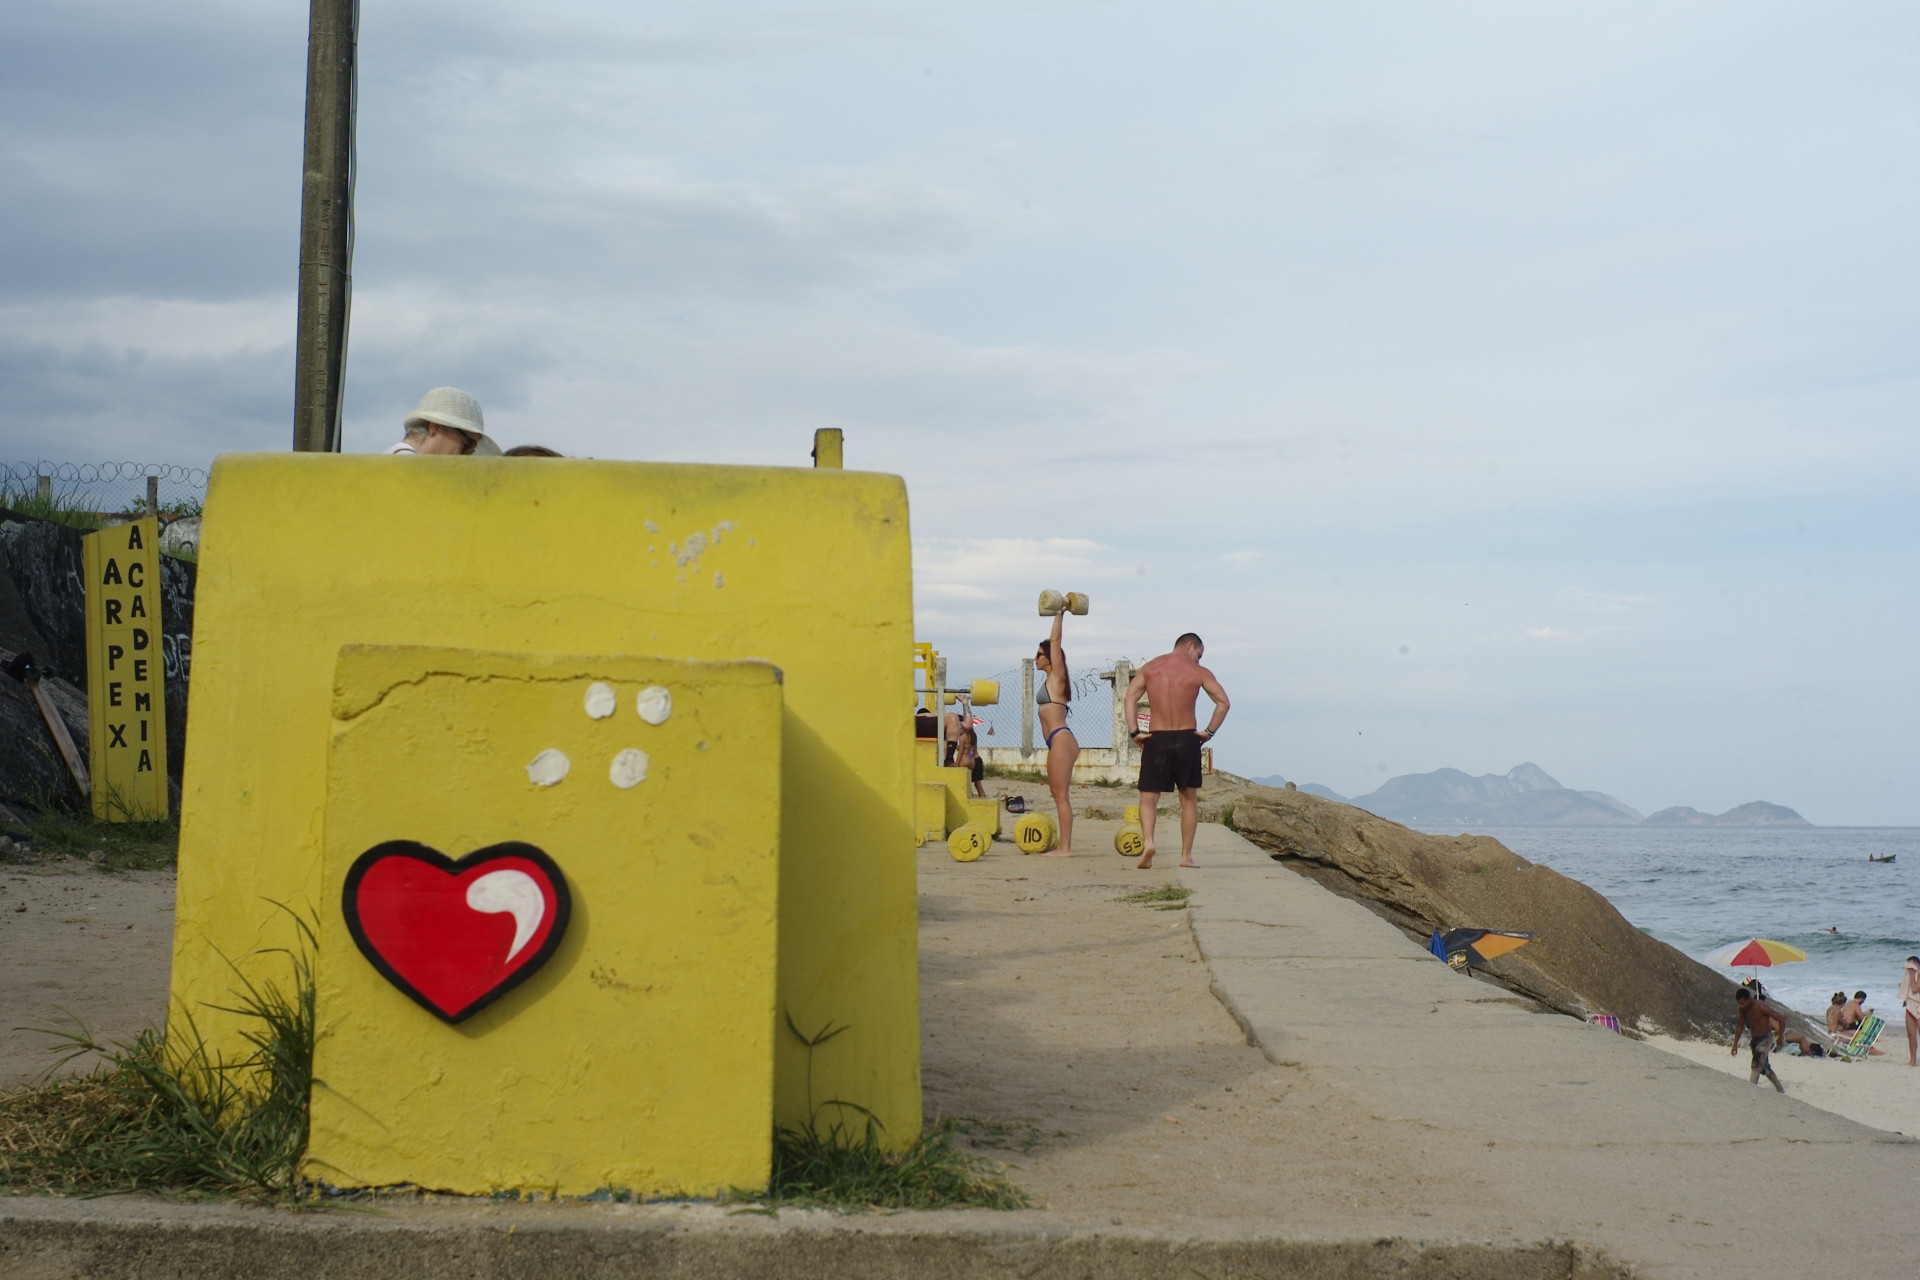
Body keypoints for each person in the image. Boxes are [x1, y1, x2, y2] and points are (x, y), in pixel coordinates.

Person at [1123, 632, 1229, 870]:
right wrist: (1209, 732)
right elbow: (1224, 702)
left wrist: (1134, 732)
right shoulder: (1198, 673)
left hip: (1156, 738)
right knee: (1189, 800)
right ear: (1190, 646)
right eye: (1198, 655)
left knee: (1148, 798)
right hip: (1187, 738)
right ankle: (1185, 856)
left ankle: (1149, 842)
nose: (1198, 661)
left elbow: (1129, 697)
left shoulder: (1151, 668)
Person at [1034, 609, 1078, 856]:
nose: (1035, 658)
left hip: (1061, 738)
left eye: (1039, 654)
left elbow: (1056, 642)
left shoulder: (1057, 678)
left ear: (1050, 657)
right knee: (1057, 793)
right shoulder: (1050, 680)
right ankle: (1065, 845)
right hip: (1057, 740)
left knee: (1061, 795)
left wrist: (1060, 613)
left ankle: (1065, 848)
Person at [387, 387, 502, 456]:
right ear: (435, 428)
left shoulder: (395, 459)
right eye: (467, 443)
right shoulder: (409, 468)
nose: (466, 454)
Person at [1731, 987, 1786, 1093]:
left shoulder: (1760, 1007)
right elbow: (1740, 1026)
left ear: (1748, 999)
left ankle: (1750, 1089)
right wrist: (1735, 1044)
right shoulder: (1743, 1009)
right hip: (1755, 1039)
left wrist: (1780, 1036)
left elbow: (1781, 1019)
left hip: (1766, 1038)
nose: (1742, 1006)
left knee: (1756, 1065)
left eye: (1743, 1003)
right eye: (1739, 1004)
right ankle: (1780, 1089)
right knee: (1765, 1068)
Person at [1899, 957, 1920, 1066]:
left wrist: (1912, 975)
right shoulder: (1907, 975)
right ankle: (1913, 1060)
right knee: (1911, 1034)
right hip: (1910, 1006)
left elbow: (1915, 989)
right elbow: (1906, 989)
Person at [955, 724, 985, 799]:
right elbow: (972, 752)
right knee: (978, 785)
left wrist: (957, 763)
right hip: (976, 759)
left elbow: (961, 751)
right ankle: (982, 799)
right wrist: (969, 757)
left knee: (967, 783)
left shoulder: (963, 736)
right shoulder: (973, 736)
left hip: (970, 758)